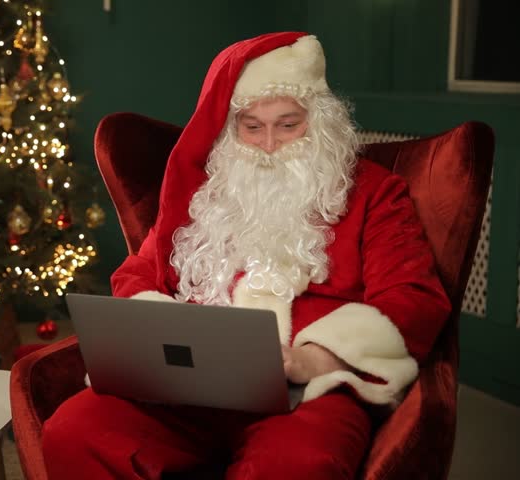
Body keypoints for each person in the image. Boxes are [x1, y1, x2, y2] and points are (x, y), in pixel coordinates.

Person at [42, 32, 451, 479]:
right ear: (231, 131)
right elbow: (137, 274)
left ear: (320, 121)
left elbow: (412, 298)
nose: (270, 143)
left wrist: (315, 358)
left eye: (288, 124)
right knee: (75, 430)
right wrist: (160, 340)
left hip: (311, 390)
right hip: (188, 387)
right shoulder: (205, 194)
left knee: (296, 465)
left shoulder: (374, 193)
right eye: (252, 127)